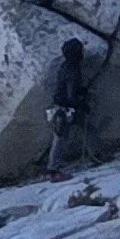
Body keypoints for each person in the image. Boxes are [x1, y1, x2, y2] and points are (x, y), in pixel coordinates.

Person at [46, 38, 93, 175]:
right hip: (65, 109)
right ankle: (53, 169)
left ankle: (96, 154)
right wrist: (82, 104)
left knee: (86, 129)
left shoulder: (65, 66)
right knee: (60, 138)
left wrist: (81, 91)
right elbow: (70, 95)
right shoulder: (73, 71)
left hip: (64, 107)